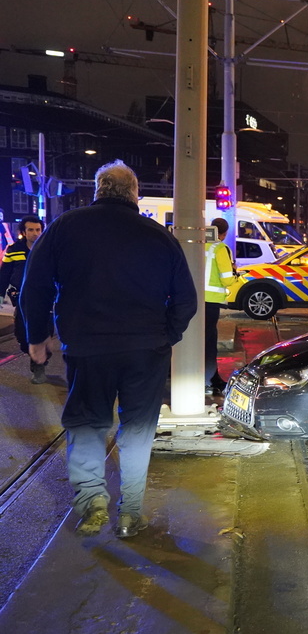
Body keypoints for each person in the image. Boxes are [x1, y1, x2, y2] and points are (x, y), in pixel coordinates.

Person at [20, 161, 197, 538]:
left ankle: (91, 505)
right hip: (146, 350)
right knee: (137, 429)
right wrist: (167, 335)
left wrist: (38, 339)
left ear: (98, 190)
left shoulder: (65, 228)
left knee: (86, 423)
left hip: (87, 348)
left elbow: (33, 289)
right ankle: (131, 514)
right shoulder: (159, 236)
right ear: (135, 194)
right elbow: (186, 300)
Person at [0, 215, 46, 382]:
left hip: (43, 298)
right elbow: (4, 273)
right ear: (24, 232)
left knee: (45, 332)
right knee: (21, 333)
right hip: (21, 298)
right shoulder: (13, 250)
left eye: (38, 230)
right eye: (31, 230)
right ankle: (34, 356)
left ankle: (39, 365)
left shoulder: (48, 249)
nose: (35, 233)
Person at [204, 217, 239, 395]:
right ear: (224, 234)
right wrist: (235, 273)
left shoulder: (198, 243)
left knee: (194, 340)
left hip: (192, 299)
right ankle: (209, 380)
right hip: (210, 301)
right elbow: (226, 278)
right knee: (209, 342)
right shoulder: (219, 248)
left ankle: (203, 376)